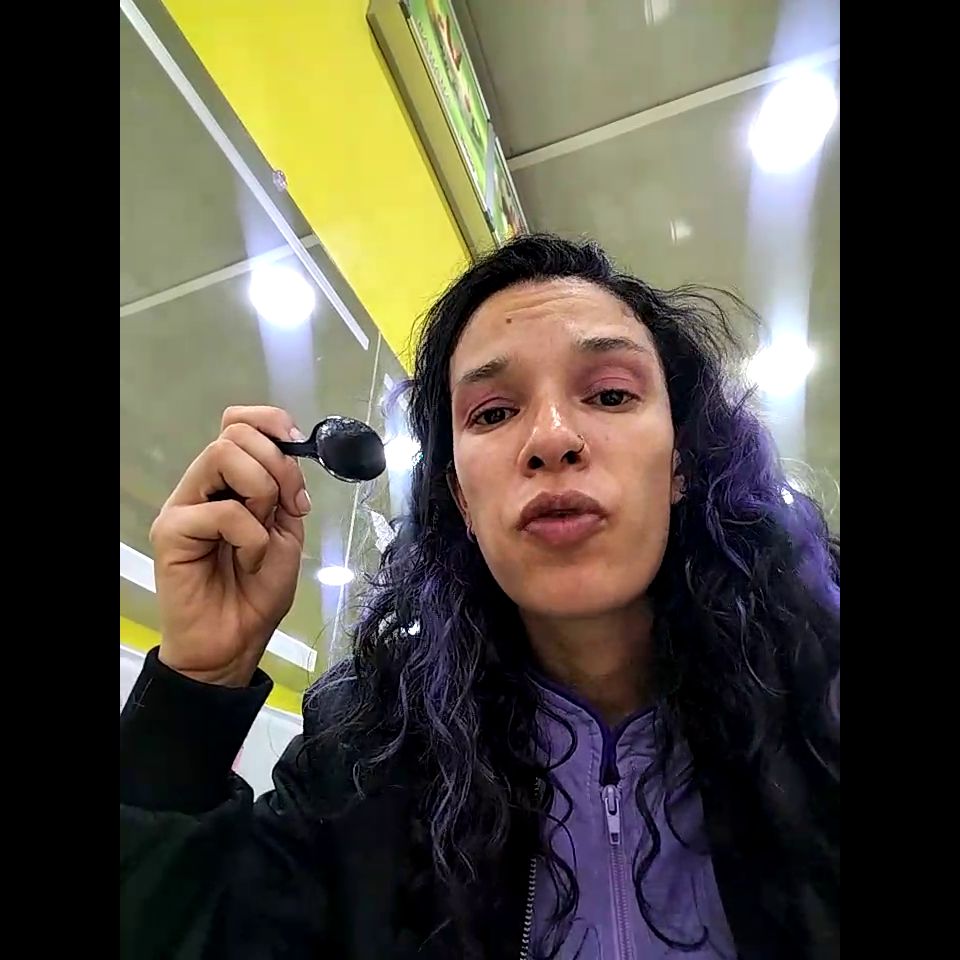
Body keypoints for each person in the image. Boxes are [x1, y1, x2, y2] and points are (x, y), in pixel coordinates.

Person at [120, 234, 840, 960]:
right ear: (461, 498)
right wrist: (197, 683)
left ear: (680, 463)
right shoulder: (361, 760)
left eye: (611, 394)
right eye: (493, 413)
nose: (552, 439)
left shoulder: (821, 710)